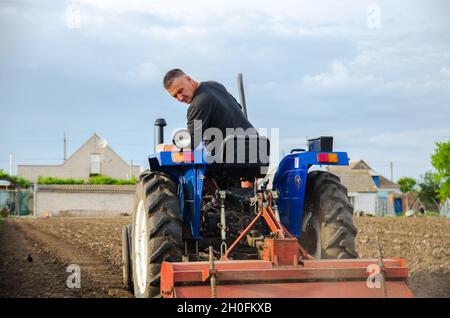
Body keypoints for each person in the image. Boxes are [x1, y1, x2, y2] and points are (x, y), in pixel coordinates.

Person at [163, 69, 257, 150]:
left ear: (189, 79)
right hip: (258, 150)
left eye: (180, 91)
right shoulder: (215, 85)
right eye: (175, 96)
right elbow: (238, 107)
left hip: (231, 160)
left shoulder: (197, 104)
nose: (180, 98)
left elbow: (190, 144)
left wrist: (167, 148)